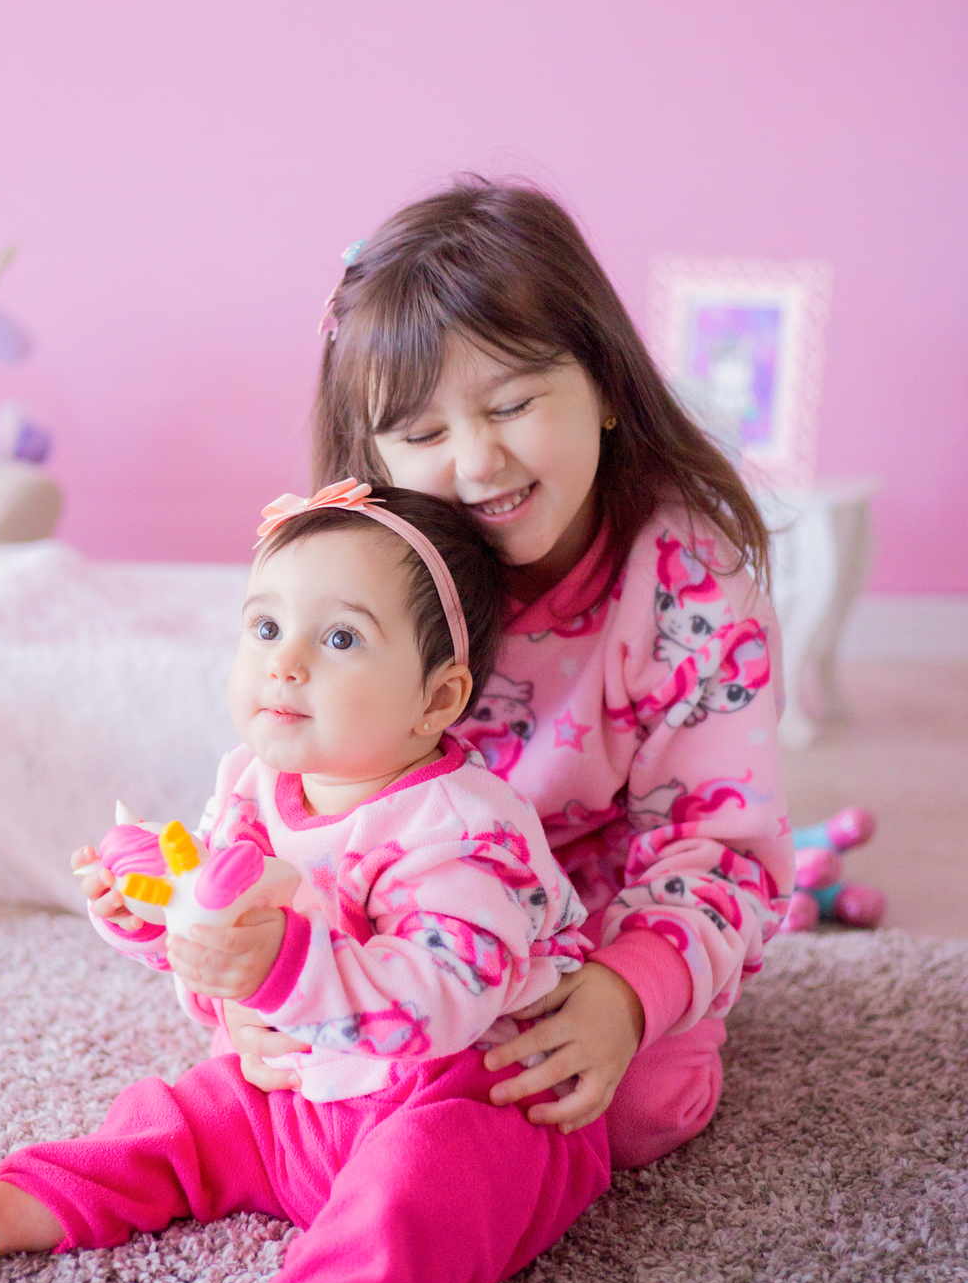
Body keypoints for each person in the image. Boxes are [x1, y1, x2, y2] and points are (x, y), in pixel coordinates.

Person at [0, 482, 610, 1283]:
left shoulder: (465, 826)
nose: (285, 661)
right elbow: (214, 945)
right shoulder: (253, 786)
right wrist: (150, 920)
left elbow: (440, 1003)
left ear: (437, 698)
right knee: (175, 1117)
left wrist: (278, 969)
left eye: (338, 640)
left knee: (418, 1205)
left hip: (474, 1096)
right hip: (298, 1098)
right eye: (264, 626)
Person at [231, 178, 793, 1173]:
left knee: (639, 1104)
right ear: (369, 454)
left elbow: (721, 847)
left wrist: (627, 994)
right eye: (424, 434)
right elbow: (285, 777)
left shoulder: (688, 587)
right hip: (400, 916)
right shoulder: (374, 573)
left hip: (589, 928)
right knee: (273, 1078)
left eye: (514, 403)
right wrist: (257, 984)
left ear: (607, 384)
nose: (480, 460)